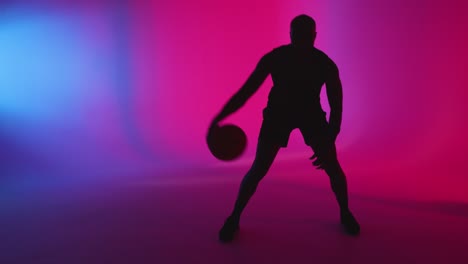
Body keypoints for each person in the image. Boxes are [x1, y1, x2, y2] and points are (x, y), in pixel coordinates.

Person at [207, 14, 360, 243]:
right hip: (279, 114)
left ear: (313, 37)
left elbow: (336, 104)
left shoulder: (322, 64)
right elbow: (246, 92)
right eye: (298, 35)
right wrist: (219, 117)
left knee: (332, 167)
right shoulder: (280, 59)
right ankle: (234, 217)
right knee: (259, 169)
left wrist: (330, 136)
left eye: (304, 36)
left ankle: (345, 212)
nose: (300, 40)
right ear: (293, 36)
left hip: (307, 115)